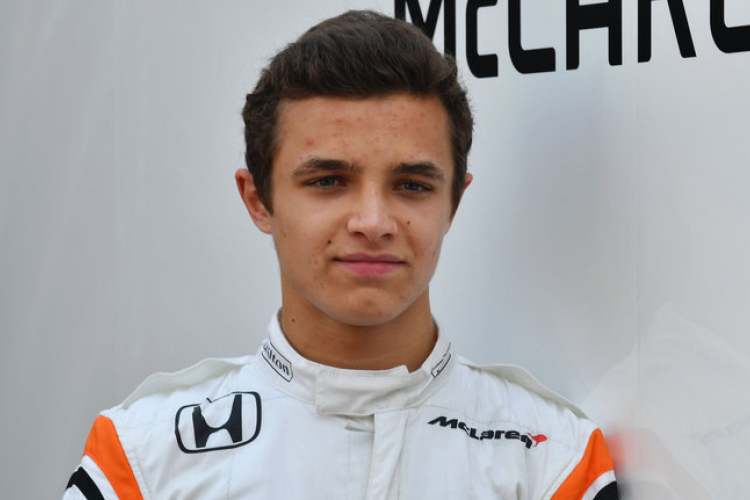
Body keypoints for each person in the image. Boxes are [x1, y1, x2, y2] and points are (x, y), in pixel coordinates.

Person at [63, 10, 618, 499]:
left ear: (454, 202)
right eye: (328, 181)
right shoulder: (143, 459)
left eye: (412, 185)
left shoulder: (553, 461)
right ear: (258, 200)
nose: (372, 222)